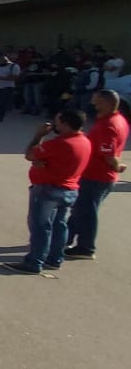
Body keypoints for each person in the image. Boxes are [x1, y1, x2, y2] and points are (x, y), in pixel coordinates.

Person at [4, 110, 92, 274]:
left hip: (48, 189)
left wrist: (38, 135)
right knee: (60, 225)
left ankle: (34, 262)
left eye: (57, 122)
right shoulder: (85, 141)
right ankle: (55, 258)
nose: (54, 125)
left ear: (65, 124)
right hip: (70, 190)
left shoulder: (59, 144)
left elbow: (30, 154)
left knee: (40, 226)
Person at [66, 90, 128, 260]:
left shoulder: (108, 125)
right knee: (80, 209)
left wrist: (117, 167)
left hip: (96, 175)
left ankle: (86, 247)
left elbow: (109, 154)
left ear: (107, 103)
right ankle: (65, 238)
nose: (94, 105)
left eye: (97, 102)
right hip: (96, 174)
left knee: (86, 212)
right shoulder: (118, 120)